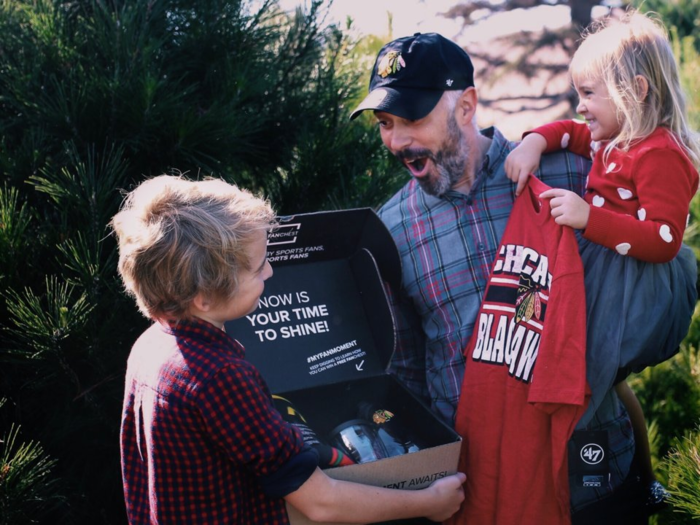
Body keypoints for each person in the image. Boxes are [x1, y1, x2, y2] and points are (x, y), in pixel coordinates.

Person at [350, 32, 649, 523]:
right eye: (385, 123)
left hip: (593, 468)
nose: (397, 140)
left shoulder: (570, 175)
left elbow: (645, 283)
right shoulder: (387, 230)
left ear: (466, 106)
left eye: (412, 119)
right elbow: (405, 374)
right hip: (481, 488)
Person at [110, 174, 466, 524]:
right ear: (203, 298)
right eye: (257, 267)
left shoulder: (151, 344)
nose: (270, 272)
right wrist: (427, 502)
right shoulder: (221, 376)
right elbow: (323, 503)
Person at [505, 9, 699, 513]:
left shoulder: (661, 153)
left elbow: (664, 239)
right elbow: (569, 130)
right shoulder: (611, 135)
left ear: (635, 90)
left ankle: (614, 482)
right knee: (596, 378)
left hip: (639, 280)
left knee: (586, 377)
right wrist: (534, 141)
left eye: (590, 93)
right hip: (608, 264)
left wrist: (590, 218)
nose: (581, 106)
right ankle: (625, 475)